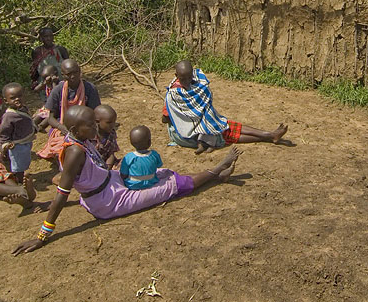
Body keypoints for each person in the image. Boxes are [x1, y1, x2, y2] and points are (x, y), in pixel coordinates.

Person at [12, 106, 240, 254]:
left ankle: (215, 175)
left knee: (165, 173)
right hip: (109, 201)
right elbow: (63, 192)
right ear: (76, 130)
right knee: (171, 186)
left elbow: (65, 128)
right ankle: (217, 171)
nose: (95, 127)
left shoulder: (76, 138)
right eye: (91, 125)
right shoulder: (75, 152)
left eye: (94, 123)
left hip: (111, 182)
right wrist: (42, 235)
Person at [163, 60, 288, 154]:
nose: (186, 81)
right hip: (186, 135)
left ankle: (270, 134)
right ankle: (269, 136)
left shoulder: (196, 84)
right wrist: (192, 120)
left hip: (205, 123)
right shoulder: (173, 95)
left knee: (226, 125)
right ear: (176, 75)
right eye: (183, 78)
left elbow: (204, 98)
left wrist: (203, 117)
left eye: (189, 77)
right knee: (225, 133)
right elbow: (166, 118)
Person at [36, 59, 101, 161]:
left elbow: (95, 112)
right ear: (63, 75)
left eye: (75, 72)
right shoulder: (58, 90)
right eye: (68, 74)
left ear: (80, 71)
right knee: (62, 150)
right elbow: (50, 118)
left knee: (94, 148)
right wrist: (62, 128)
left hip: (85, 126)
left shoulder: (89, 88)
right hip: (62, 127)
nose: (73, 76)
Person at [0, 83, 38, 183]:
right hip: (17, 144)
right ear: (6, 101)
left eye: (19, 96)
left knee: (24, 160)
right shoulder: (9, 116)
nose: (17, 99)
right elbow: (4, 132)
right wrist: (5, 144)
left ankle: (19, 175)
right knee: (18, 164)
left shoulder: (23, 108)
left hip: (26, 140)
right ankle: (19, 181)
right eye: (13, 98)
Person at [119, 126, 162, 190]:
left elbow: (123, 174)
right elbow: (159, 165)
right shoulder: (154, 154)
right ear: (149, 142)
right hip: (151, 182)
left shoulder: (129, 157)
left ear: (131, 143)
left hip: (133, 185)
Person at [30, 27, 69, 91]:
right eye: (46, 36)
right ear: (41, 38)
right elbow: (35, 69)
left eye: (51, 36)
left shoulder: (61, 49)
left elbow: (68, 66)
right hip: (44, 84)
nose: (49, 38)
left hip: (61, 82)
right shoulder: (37, 51)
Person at [93, 104, 121, 169]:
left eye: (114, 122)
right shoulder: (90, 136)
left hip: (107, 164)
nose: (113, 125)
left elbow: (111, 155)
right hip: (92, 165)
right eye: (109, 122)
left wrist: (107, 169)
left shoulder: (111, 134)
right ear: (97, 122)